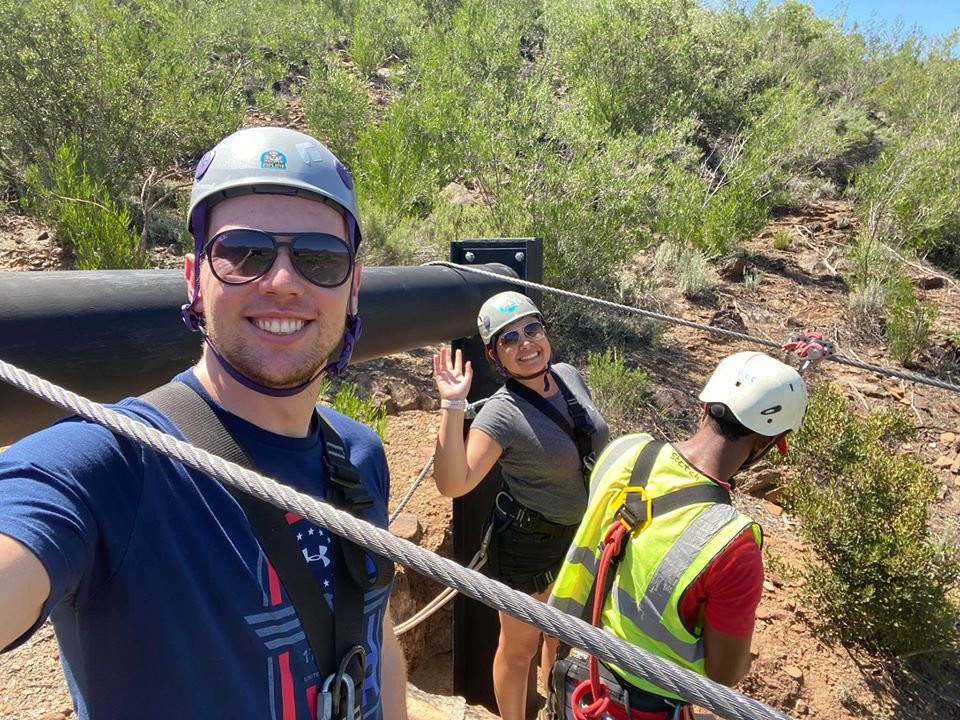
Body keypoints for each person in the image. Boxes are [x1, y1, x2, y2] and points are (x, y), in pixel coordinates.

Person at [0, 127, 408, 720]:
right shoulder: (114, 465)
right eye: (244, 252)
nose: (284, 281)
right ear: (194, 277)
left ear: (353, 289)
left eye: (320, 258)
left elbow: (373, 633)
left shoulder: (357, 453)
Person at [548, 351, 809, 720]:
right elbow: (725, 674)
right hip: (638, 709)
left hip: (574, 675)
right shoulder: (733, 546)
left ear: (705, 405)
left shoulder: (625, 451)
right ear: (770, 442)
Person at [432, 291, 610, 720]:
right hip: (528, 543)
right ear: (496, 356)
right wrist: (453, 404)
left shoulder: (567, 375)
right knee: (519, 647)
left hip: (581, 531)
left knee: (562, 636)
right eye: (509, 339)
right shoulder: (501, 413)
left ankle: (556, 709)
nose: (526, 343)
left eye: (532, 329)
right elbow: (453, 483)